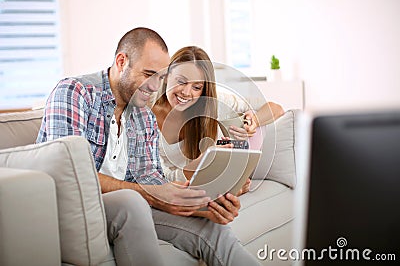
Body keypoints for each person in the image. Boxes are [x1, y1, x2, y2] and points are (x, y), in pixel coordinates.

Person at [37, 28, 261, 266]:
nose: (155, 87)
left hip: (129, 205)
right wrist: (151, 195)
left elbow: (150, 177)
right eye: (148, 74)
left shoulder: (143, 114)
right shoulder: (75, 92)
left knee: (213, 231)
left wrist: (199, 205)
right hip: (74, 205)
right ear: (122, 61)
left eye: (160, 77)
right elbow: (69, 174)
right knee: (130, 202)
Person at [151, 46, 284, 195]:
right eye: (181, 81)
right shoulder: (146, 116)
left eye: (196, 87)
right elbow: (162, 180)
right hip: (181, 187)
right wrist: (203, 162)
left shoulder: (212, 104)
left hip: (208, 180)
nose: (186, 92)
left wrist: (255, 121)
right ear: (167, 76)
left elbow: (276, 108)